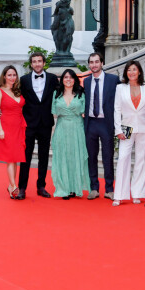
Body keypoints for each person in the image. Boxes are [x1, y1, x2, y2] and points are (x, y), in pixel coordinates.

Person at [112, 60, 145, 206]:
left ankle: (137, 193)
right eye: (129, 70)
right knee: (123, 158)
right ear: (126, 73)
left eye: (134, 69)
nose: (131, 72)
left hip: (143, 127)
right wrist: (118, 130)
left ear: (139, 72)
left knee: (141, 160)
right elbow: (117, 110)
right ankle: (119, 195)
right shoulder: (120, 88)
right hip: (126, 128)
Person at [17, 52, 57, 200]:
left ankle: (41, 186)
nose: (37, 64)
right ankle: (22, 188)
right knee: (25, 157)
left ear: (44, 62)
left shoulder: (52, 79)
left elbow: (61, 93)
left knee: (44, 157)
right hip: (29, 124)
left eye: (39, 61)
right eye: (34, 62)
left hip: (46, 124)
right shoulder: (24, 80)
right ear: (31, 64)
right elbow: (17, 98)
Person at [83, 52, 121, 200]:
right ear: (89, 65)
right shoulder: (86, 82)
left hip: (106, 123)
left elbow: (121, 99)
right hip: (91, 123)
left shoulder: (113, 80)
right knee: (91, 157)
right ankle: (94, 188)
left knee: (107, 157)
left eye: (96, 62)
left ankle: (109, 189)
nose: (94, 65)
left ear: (102, 63)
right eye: (91, 62)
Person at [50, 69, 90, 199]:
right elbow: (53, 111)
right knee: (62, 157)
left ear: (75, 79)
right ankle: (64, 188)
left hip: (77, 127)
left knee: (76, 156)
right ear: (62, 79)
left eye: (71, 77)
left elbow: (86, 111)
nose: (68, 79)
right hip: (62, 128)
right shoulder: (56, 93)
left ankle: (74, 187)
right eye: (65, 77)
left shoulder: (81, 93)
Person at [0, 65, 26, 199]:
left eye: (14, 75)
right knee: (10, 158)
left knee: (15, 158)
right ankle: (13, 185)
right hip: (6, 126)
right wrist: (0, 129)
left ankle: (12, 186)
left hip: (19, 126)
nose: (12, 77)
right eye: (9, 75)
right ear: (4, 76)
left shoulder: (17, 91)